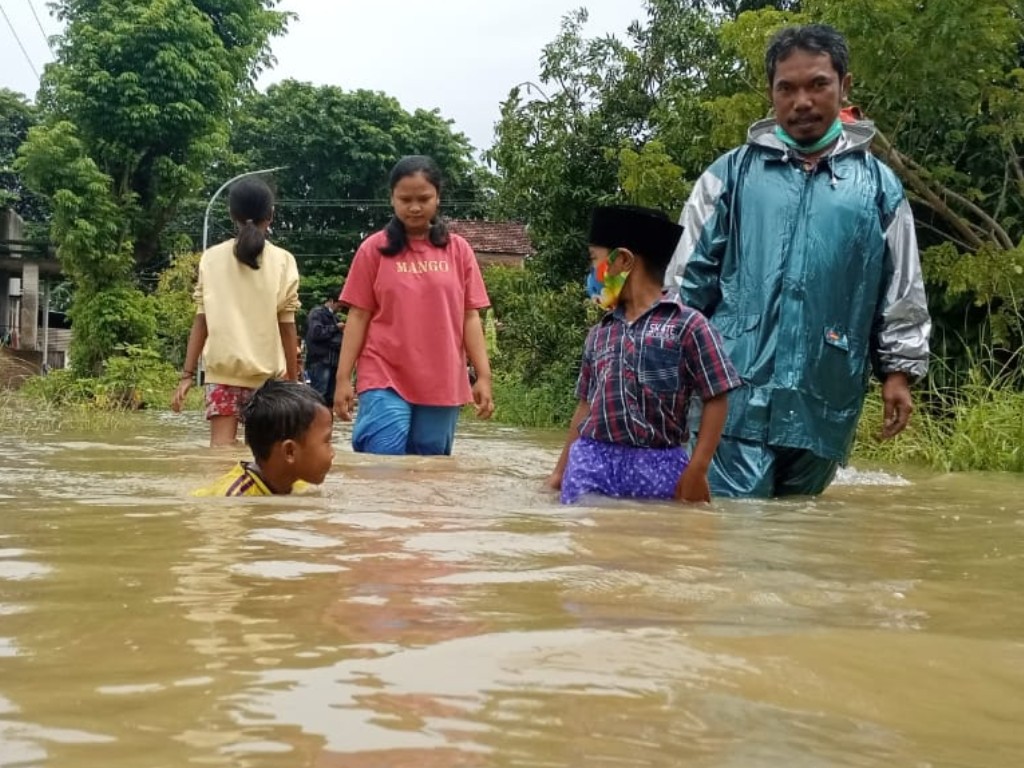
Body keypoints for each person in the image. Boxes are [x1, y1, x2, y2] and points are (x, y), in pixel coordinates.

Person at [665, 24, 931, 498]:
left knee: (796, 536)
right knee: (733, 535)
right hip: (731, 396)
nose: (801, 101)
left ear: (844, 85)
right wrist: (666, 366)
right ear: (770, 94)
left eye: (817, 85)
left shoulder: (878, 187)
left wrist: (898, 373)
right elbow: (686, 280)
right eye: (786, 88)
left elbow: (900, 289)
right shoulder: (730, 175)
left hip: (826, 401)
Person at [547, 205, 743, 505]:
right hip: (591, 465)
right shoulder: (599, 334)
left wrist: (698, 469)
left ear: (622, 260)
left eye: (594, 261)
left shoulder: (688, 326)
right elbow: (585, 404)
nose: (592, 274)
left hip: (661, 469)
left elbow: (716, 396)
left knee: (655, 546)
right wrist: (559, 473)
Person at [333, 155, 494, 455]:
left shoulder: (458, 250)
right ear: (392, 199)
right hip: (383, 372)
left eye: (424, 198)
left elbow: (469, 317)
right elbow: (358, 317)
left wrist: (483, 376)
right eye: (405, 199)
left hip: (442, 376)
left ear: (438, 198)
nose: (415, 207)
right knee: (382, 459)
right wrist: (343, 380)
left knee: (429, 473)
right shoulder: (373, 249)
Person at [171, 177, 301, 447]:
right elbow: (287, 326)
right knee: (267, 455)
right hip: (269, 382)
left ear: (232, 215)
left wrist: (186, 376)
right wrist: (293, 379)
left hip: (222, 376)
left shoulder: (211, 258)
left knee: (220, 454)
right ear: (271, 215)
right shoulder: (283, 261)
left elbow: (201, 321)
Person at [193, 379, 335, 496]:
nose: (333, 453)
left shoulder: (299, 483)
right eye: (327, 441)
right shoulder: (235, 498)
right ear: (290, 452)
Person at [305, 295, 345, 405]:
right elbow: (316, 333)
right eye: (339, 305)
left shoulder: (334, 318)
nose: (340, 309)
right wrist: (335, 328)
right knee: (319, 395)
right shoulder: (317, 313)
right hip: (320, 360)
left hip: (333, 361)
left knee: (330, 397)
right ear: (332, 301)